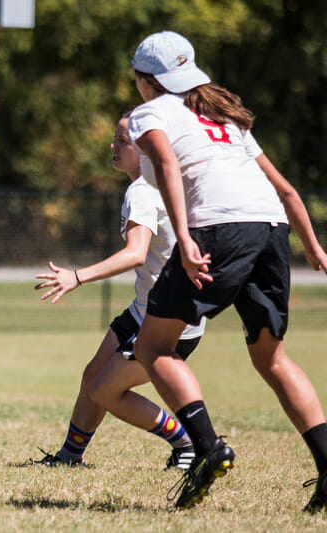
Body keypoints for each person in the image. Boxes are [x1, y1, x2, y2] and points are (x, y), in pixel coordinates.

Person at [128, 31, 327, 511]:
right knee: (272, 358)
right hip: (270, 228)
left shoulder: (150, 113)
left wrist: (187, 238)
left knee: (153, 346)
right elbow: (287, 190)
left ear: (143, 80)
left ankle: (208, 446)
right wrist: (316, 250)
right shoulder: (223, 116)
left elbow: (170, 169)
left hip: (219, 230)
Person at [31, 112, 204, 471]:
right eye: (116, 139)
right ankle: (69, 456)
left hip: (165, 320)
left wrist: (76, 277)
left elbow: (134, 254)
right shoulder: (169, 182)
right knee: (93, 375)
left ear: (144, 149)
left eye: (123, 141)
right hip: (149, 310)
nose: (113, 146)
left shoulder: (142, 190)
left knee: (105, 391)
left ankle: (188, 442)